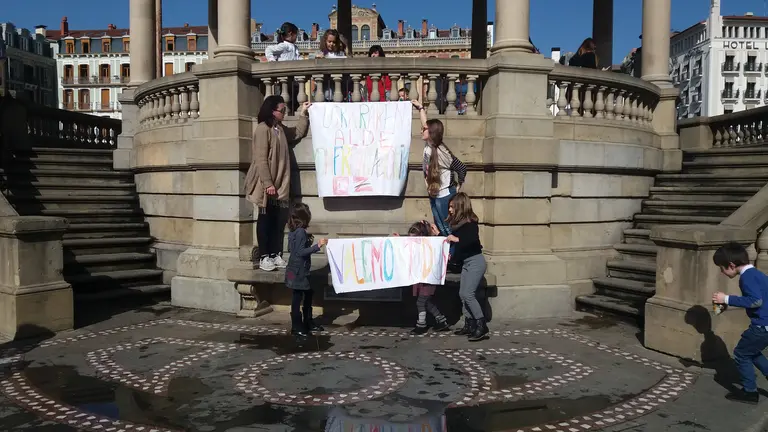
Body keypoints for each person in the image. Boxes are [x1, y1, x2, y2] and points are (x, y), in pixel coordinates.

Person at [245, 96, 311, 272]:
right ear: (272, 110)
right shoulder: (262, 129)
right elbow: (260, 159)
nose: (284, 112)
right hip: (266, 185)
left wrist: (303, 114)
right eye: (281, 110)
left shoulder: (279, 128)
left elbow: (297, 133)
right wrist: (268, 183)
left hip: (280, 183)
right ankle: (264, 256)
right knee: (265, 218)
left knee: (277, 221)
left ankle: (275, 254)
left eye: (284, 110)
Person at [712, 242, 768, 404]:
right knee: (752, 352)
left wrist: (726, 299)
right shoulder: (757, 274)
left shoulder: (746, 277)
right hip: (765, 325)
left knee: (741, 354)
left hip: (761, 326)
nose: (722, 272)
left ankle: (750, 392)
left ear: (731, 265)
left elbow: (755, 301)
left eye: (721, 268)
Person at [411, 99, 467, 238]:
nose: (421, 130)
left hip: (445, 196)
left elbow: (461, 168)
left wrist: (457, 187)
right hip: (434, 195)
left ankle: (454, 256)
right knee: (440, 229)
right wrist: (420, 109)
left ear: (431, 133)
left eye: (425, 130)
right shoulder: (429, 146)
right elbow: (425, 123)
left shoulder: (442, 152)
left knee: (448, 229)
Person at [393, 220, 451, 335]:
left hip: (429, 279)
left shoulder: (429, 246)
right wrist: (399, 240)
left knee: (420, 302)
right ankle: (441, 321)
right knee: (427, 302)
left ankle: (421, 325)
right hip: (422, 279)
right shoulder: (420, 245)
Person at [444, 193, 488, 342]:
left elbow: (471, 241)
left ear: (460, 206)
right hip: (467, 263)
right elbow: (459, 247)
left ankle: (481, 324)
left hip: (475, 262)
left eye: (452, 207)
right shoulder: (459, 225)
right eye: (449, 207)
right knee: (463, 294)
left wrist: (455, 239)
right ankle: (469, 324)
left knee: (468, 294)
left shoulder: (470, 224)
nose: (449, 210)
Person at [285, 202, 327, 338]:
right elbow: (300, 252)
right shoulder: (301, 232)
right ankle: (297, 326)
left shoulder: (293, 232)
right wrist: (317, 246)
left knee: (307, 293)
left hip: (293, 270)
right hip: (299, 271)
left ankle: (307, 321)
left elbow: (291, 249)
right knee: (297, 297)